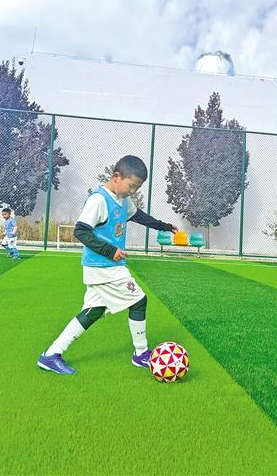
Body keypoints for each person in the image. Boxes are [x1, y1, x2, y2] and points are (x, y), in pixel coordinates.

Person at [37, 155, 177, 375]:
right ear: (116, 177)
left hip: (105, 267)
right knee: (139, 301)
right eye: (131, 186)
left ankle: (51, 355)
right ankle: (141, 354)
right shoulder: (98, 200)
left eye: (137, 188)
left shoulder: (123, 200)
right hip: (103, 266)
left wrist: (164, 226)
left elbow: (139, 216)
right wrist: (111, 251)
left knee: (93, 311)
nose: (132, 191)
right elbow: (81, 231)